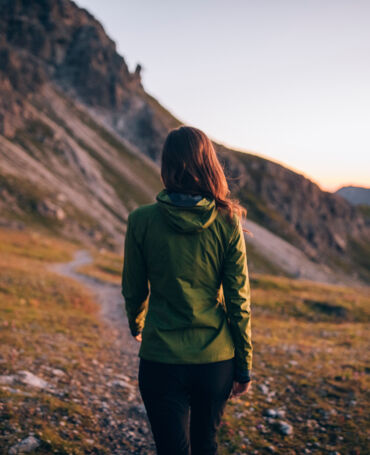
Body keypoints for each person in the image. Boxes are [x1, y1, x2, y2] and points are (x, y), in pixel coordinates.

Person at [121, 125, 253, 455]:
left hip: (160, 358)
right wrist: (244, 365)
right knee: (205, 444)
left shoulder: (141, 220)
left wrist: (137, 324)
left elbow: (133, 289)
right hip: (215, 360)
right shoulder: (227, 221)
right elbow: (239, 299)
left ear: (167, 165)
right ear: (209, 164)